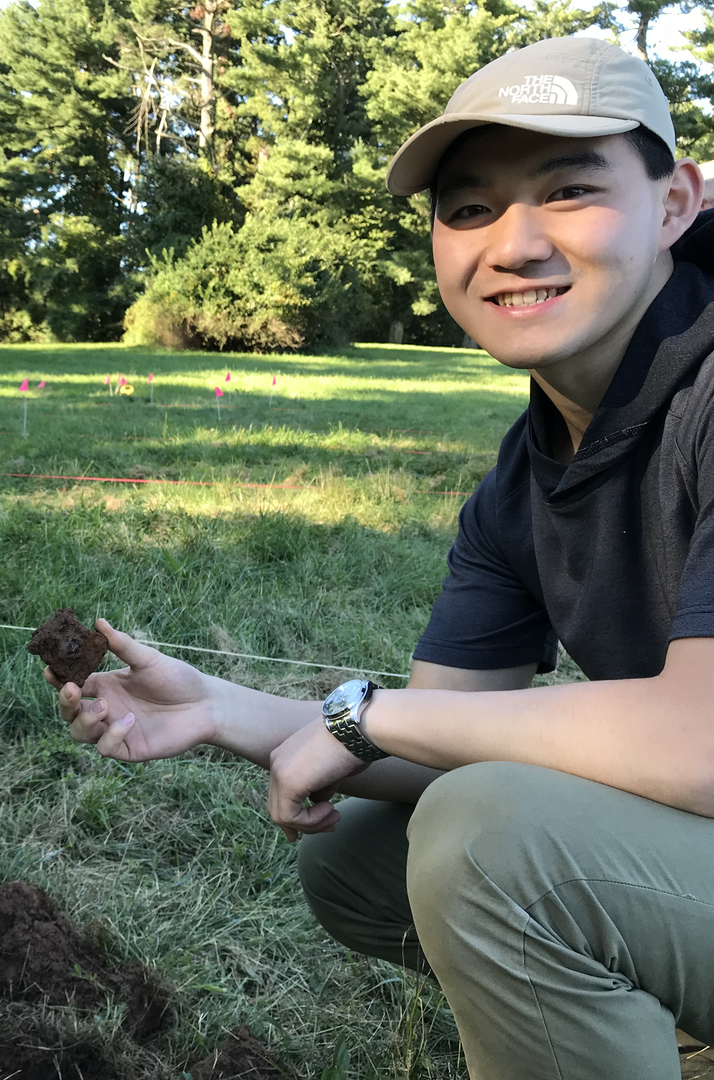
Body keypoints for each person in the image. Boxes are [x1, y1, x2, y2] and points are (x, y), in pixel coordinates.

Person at [55, 36, 714, 1080]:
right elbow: (442, 735)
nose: (515, 244)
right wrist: (221, 710)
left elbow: (701, 741)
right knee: (370, 848)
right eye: (471, 207)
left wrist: (364, 716)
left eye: (570, 190)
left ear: (675, 202)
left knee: (492, 839)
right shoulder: (525, 475)